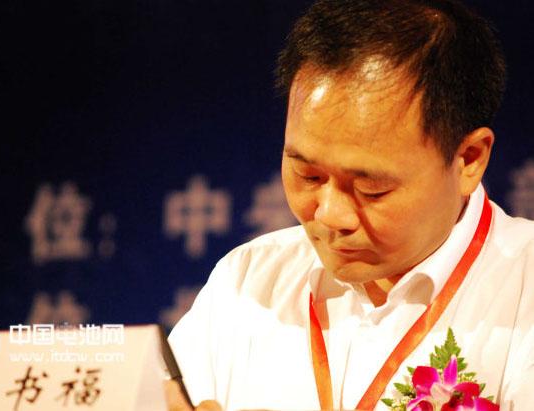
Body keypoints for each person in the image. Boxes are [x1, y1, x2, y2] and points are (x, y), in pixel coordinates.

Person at [166, 0, 534, 410]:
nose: (330, 216)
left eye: (370, 189)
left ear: (469, 159)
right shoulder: (248, 282)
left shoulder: (525, 288)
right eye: (308, 176)